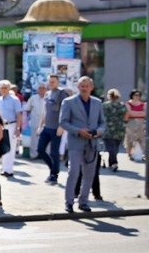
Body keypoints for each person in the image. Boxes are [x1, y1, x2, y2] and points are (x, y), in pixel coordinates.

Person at [60, 76, 105, 213]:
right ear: (78, 87)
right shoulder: (69, 102)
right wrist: (78, 131)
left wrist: (99, 131)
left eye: (87, 86)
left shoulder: (97, 103)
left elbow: (102, 122)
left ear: (91, 87)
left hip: (92, 142)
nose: (84, 88)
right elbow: (63, 122)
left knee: (90, 173)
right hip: (76, 141)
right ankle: (69, 202)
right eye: (82, 86)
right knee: (73, 171)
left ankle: (83, 201)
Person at [36, 74, 64, 183]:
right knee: (40, 150)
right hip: (46, 127)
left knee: (54, 152)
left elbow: (64, 111)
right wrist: (40, 125)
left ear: (58, 82)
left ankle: (54, 175)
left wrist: (61, 126)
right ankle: (53, 169)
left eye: (53, 81)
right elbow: (45, 111)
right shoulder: (47, 94)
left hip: (56, 128)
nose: (51, 83)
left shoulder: (61, 94)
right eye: (50, 81)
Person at [0, 80, 22, 177]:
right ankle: (4, 167)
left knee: (10, 148)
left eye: (5, 88)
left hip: (11, 125)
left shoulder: (14, 100)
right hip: (1, 125)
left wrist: (18, 128)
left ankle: (8, 169)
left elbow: (19, 114)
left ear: (9, 88)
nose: (3, 90)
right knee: (2, 147)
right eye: (2, 88)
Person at [102, 88, 126, 172]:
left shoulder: (105, 105)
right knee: (115, 147)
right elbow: (126, 116)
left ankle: (113, 163)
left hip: (108, 128)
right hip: (120, 128)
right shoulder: (122, 105)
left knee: (110, 147)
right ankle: (111, 162)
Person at [23, 82, 47, 159]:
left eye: (43, 88)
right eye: (40, 88)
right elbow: (27, 109)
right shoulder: (33, 98)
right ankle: (34, 155)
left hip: (46, 122)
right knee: (34, 139)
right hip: (35, 121)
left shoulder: (49, 98)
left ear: (46, 89)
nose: (41, 90)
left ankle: (45, 155)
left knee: (47, 139)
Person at [125, 89, 145, 160]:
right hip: (131, 122)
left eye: (138, 95)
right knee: (130, 139)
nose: (137, 96)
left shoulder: (143, 104)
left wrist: (135, 113)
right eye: (135, 95)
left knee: (141, 139)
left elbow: (145, 113)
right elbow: (129, 113)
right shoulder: (128, 103)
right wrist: (140, 113)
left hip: (141, 123)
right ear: (132, 95)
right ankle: (129, 154)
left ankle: (141, 154)